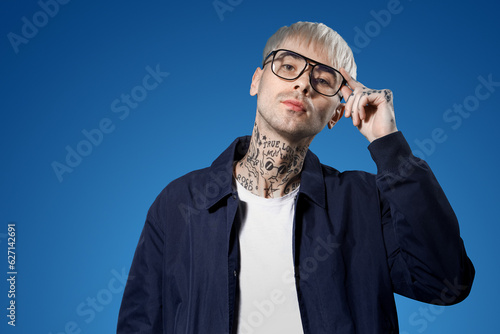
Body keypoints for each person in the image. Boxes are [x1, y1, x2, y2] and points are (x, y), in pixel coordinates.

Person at [117, 21, 475, 333]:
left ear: (337, 113)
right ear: (257, 80)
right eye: (287, 66)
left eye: (322, 80)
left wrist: (388, 144)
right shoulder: (180, 203)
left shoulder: (365, 202)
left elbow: (446, 282)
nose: (303, 84)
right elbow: (141, 323)